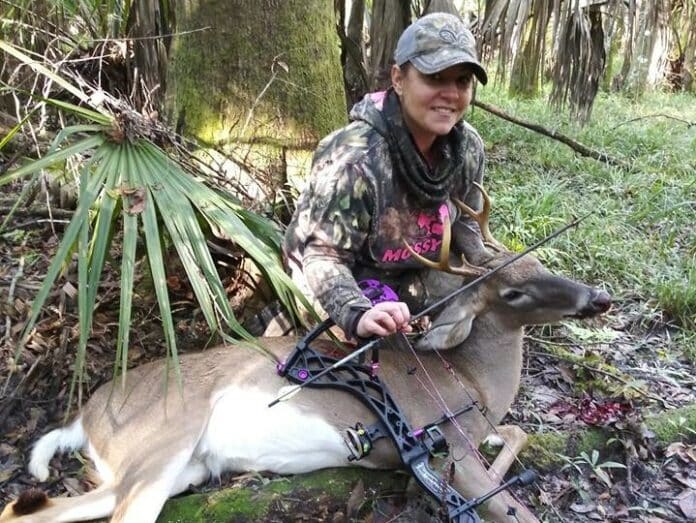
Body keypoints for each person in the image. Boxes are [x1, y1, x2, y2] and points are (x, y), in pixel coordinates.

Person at [283, 12, 489, 341]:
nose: (451, 94)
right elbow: (321, 256)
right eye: (435, 78)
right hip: (342, 281)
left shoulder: (468, 149)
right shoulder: (355, 159)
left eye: (462, 81)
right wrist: (357, 312)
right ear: (398, 78)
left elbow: (465, 225)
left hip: (413, 276)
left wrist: (489, 264)